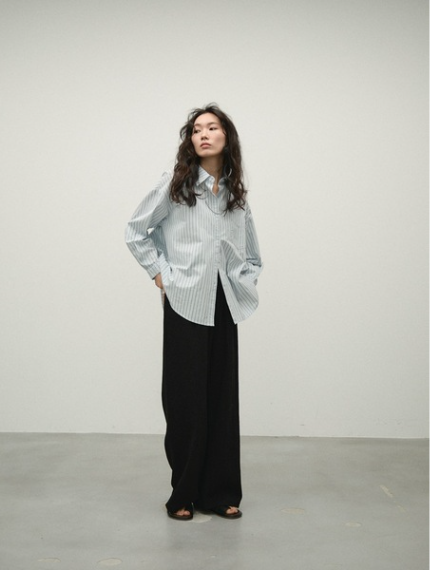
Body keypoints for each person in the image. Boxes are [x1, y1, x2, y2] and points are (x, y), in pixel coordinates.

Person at [125, 104, 263, 521]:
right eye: (197, 129)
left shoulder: (235, 193)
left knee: (221, 399)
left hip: (224, 301)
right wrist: (161, 275)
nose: (203, 134)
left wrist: (245, 279)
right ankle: (183, 493)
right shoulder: (175, 184)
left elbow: (251, 251)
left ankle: (219, 493)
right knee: (185, 398)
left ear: (226, 137)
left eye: (212, 127)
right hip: (186, 299)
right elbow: (136, 231)